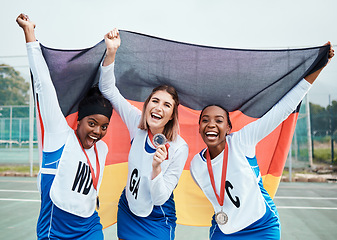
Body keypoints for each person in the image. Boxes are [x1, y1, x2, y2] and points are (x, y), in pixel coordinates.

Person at [190, 44, 334, 239]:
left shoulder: (242, 141)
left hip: (262, 226)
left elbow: (282, 110)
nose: (211, 125)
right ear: (199, 127)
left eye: (219, 120)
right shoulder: (196, 165)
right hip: (225, 230)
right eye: (205, 120)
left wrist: (319, 66)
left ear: (228, 128)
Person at [16, 13, 113, 239]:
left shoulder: (102, 150)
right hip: (57, 232)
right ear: (78, 121)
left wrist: (112, 54)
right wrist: (29, 33)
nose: (98, 132)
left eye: (104, 126)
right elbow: (44, 85)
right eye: (92, 123)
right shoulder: (59, 135)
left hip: (90, 227)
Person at [98, 29, 189, 240]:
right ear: (147, 104)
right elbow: (108, 90)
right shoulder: (136, 124)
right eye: (155, 101)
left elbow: (160, 198)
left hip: (157, 216)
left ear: (171, 116)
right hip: (129, 207)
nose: (159, 108)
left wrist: (156, 168)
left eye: (167, 105)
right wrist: (111, 52)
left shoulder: (178, 147)